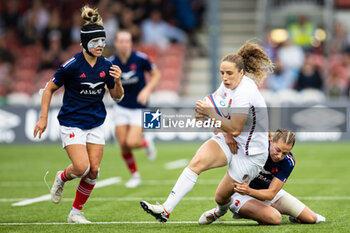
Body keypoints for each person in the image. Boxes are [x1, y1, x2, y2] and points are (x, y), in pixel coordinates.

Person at [140, 42, 273, 222]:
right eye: (222, 73)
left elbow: (234, 127)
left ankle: (219, 211)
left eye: (229, 73)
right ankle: (166, 208)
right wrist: (212, 121)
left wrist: (211, 115)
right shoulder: (227, 84)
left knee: (221, 197)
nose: (225, 77)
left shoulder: (245, 91)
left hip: (251, 154)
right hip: (230, 139)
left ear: (241, 73)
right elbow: (209, 107)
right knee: (197, 161)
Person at [33, 5, 124, 223]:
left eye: (102, 41)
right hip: (72, 123)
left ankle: (75, 213)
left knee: (93, 171)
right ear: (84, 43)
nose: (100, 45)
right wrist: (43, 118)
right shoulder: (71, 65)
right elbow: (48, 90)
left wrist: (118, 81)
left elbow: (117, 97)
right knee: (82, 167)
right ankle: (61, 178)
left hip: (95, 123)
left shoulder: (107, 66)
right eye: (95, 42)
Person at [198, 129, 326, 225]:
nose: (279, 156)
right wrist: (228, 136)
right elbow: (223, 128)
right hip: (240, 193)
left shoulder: (288, 162)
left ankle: (288, 216)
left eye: (285, 153)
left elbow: (271, 194)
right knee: (275, 218)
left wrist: (250, 190)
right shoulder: (255, 146)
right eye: (278, 150)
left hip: (261, 192)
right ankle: (221, 210)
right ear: (271, 141)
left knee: (311, 219)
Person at [109, 30, 160, 188]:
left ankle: (146, 143)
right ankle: (135, 176)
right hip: (121, 106)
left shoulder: (140, 59)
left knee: (131, 142)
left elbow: (156, 74)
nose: (124, 44)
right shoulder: (111, 62)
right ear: (116, 43)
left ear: (131, 43)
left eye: (127, 41)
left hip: (139, 107)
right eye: (121, 41)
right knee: (123, 144)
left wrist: (146, 90)